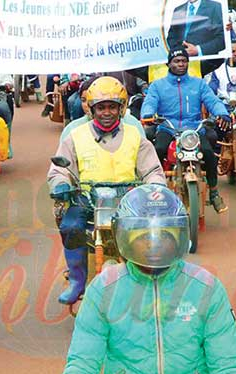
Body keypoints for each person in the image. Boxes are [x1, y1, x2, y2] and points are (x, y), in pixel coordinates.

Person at [55, 184, 236, 374]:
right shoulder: (103, 290)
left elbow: (228, 369)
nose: (154, 245)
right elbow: (83, 364)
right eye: (143, 237)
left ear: (179, 238)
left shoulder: (206, 288)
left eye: (165, 236)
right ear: (124, 238)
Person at [47, 77, 166, 305]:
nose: (107, 112)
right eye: (101, 107)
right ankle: (77, 280)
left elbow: (152, 170)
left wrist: (156, 188)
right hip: (87, 199)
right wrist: (61, 185)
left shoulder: (136, 137)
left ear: (121, 109)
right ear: (92, 109)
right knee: (70, 226)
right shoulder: (75, 136)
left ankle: (154, 278)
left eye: (112, 106)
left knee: (155, 231)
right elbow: (58, 170)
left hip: (130, 199)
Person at [141, 49, 233, 213]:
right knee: (158, 150)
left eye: (184, 61)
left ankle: (214, 193)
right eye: (177, 61)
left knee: (209, 154)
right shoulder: (158, 85)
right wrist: (148, 114)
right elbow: (150, 102)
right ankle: (155, 191)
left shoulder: (198, 84)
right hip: (168, 128)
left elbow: (212, 101)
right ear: (168, 64)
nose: (181, 64)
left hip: (194, 129)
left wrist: (222, 113)